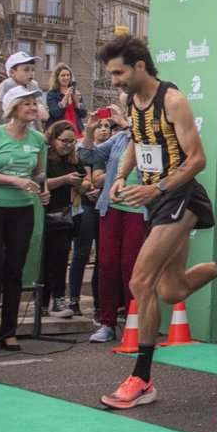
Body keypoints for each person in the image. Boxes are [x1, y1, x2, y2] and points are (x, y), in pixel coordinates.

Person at [98, 34, 217, 410]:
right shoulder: (132, 100)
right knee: (172, 290)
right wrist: (120, 176)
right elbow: (137, 140)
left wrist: (157, 188)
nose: (114, 81)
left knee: (140, 281)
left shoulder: (173, 101)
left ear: (140, 66)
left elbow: (197, 160)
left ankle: (142, 379)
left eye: (118, 72)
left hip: (179, 195)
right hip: (159, 199)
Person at [0, 85, 49, 354]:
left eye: (34, 103)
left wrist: (43, 189)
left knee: (15, 270)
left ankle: (10, 332)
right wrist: (13, 180)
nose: (32, 107)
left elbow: (39, 174)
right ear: (13, 107)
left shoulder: (38, 138)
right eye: (26, 103)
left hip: (22, 209)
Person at [78, 101, 144, 344]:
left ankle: (133, 320)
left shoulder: (153, 137)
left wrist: (127, 123)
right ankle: (106, 323)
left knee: (130, 265)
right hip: (111, 208)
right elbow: (87, 155)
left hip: (139, 210)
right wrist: (89, 130)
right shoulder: (118, 139)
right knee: (106, 265)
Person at [42, 121, 87, 318]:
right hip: (45, 212)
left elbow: (86, 181)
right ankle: (41, 301)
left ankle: (58, 298)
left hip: (66, 213)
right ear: (53, 139)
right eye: (64, 141)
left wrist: (81, 185)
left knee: (60, 258)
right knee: (43, 259)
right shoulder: (43, 158)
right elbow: (40, 183)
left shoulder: (73, 159)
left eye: (72, 141)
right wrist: (65, 180)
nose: (68, 145)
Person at [0, 51, 50, 127]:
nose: (31, 73)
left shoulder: (34, 85)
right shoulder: (7, 84)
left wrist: (40, 133)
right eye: (26, 70)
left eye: (33, 69)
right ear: (12, 73)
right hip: (8, 128)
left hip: (27, 128)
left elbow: (37, 113)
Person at [46, 63, 87, 132]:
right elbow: (55, 113)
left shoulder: (75, 92)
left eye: (68, 75)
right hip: (59, 131)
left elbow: (84, 114)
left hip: (76, 130)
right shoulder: (51, 94)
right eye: (63, 75)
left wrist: (77, 103)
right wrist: (65, 98)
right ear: (57, 77)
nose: (66, 78)